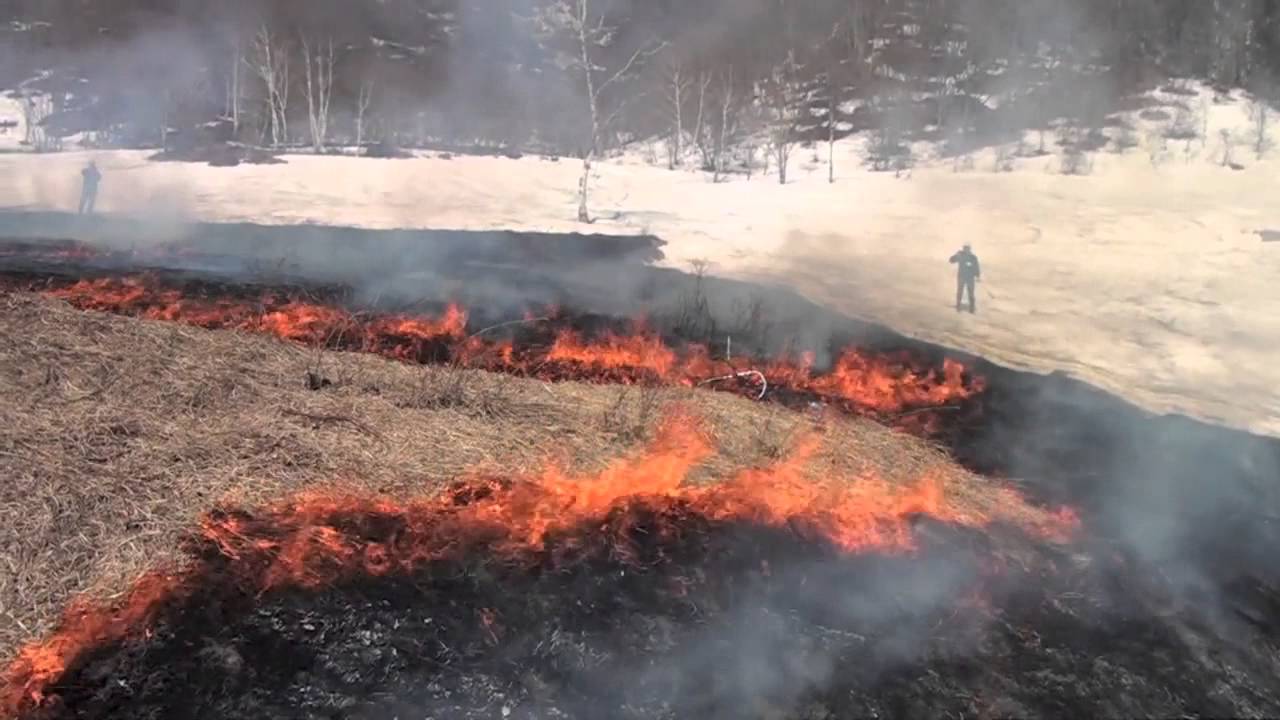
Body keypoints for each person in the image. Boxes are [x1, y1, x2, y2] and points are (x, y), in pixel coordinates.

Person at [949, 243, 981, 314]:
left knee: (971, 293)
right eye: (965, 248)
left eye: (967, 248)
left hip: (970, 278)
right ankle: (958, 306)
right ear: (963, 249)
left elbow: (976, 267)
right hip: (961, 277)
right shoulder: (960, 256)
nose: (966, 250)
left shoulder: (973, 257)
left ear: (969, 249)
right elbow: (951, 261)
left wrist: (977, 275)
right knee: (960, 292)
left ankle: (972, 308)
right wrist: (956, 255)